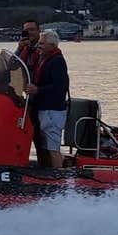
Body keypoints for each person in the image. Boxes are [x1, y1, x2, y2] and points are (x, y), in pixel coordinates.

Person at [26, 30, 69, 168]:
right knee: (46, 145)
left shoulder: (57, 61)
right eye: (39, 43)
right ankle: (53, 170)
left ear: (52, 45)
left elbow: (59, 86)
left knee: (52, 148)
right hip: (44, 109)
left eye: (42, 43)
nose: (39, 46)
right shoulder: (43, 59)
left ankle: (59, 178)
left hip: (53, 110)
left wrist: (38, 90)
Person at [14, 18, 49, 159]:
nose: (29, 33)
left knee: (41, 136)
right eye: (26, 30)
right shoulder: (24, 49)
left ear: (38, 31)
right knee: (29, 131)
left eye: (32, 30)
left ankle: (47, 164)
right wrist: (19, 49)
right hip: (29, 98)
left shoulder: (44, 50)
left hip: (42, 98)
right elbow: (13, 64)